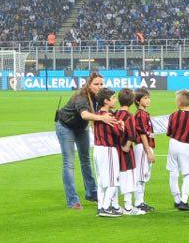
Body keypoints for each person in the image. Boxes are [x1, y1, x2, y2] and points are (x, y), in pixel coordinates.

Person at [54, 72, 122, 209]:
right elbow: (85, 115)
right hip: (65, 126)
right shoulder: (81, 96)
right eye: (96, 84)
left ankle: (92, 193)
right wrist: (102, 118)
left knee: (85, 160)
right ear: (89, 84)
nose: (99, 86)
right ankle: (72, 200)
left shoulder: (98, 97)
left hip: (81, 128)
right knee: (69, 163)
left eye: (101, 84)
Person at [166, 89, 189, 211]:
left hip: (173, 144)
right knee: (188, 174)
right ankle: (184, 201)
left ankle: (177, 200)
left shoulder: (172, 115)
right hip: (186, 146)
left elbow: (169, 132)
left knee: (173, 172)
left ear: (179, 103)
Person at [92, 87, 123, 217]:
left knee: (101, 180)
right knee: (113, 180)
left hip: (97, 149)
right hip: (108, 149)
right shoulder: (108, 116)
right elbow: (117, 133)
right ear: (106, 101)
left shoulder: (97, 115)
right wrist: (121, 127)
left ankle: (100, 207)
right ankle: (105, 208)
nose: (115, 100)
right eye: (113, 98)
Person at [113, 88, 144, 215]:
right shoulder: (129, 116)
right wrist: (126, 146)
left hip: (114, 150)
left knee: (115, 178)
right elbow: (132, 134)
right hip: (125, 152)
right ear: (132, 101)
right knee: (128, 177)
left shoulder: (114, 113)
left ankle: (114, 205)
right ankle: (128, 207)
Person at [132, 88, 155, 212]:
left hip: (145, 147)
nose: (148, 100)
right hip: (142, 147)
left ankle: (141, 201)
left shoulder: (144, 113)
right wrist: (148, 150)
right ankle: (138, 202)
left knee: (144, 175)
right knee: (140, 176)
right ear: (137, 101)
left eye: (148, 98)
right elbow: (142, 133)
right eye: (145, 98)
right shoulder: (140, 114)